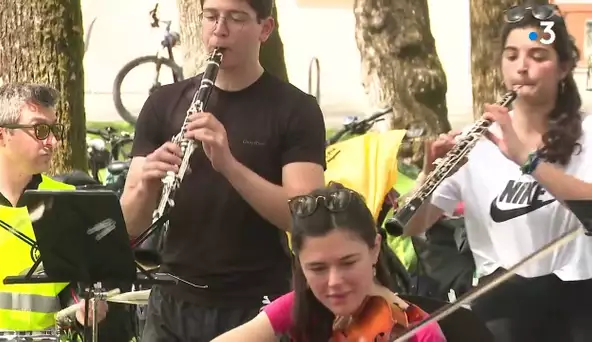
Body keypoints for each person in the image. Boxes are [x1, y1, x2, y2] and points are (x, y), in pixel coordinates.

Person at [119, 0, 326, 339]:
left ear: (265, 29)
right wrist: (144, 181)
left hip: (256, 305)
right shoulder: (163, 103)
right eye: (211, 16)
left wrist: (229, 166)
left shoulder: (295, 109)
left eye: (236, 18)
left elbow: (306, 217)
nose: (220, 29)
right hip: (172, 302)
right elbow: (130, 225)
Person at [402, 3, 592, 341]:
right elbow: (412, 225)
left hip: (579, 298)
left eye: (538, 55)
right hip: (502, 302)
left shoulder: (588, 134)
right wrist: (429, 177)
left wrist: (526, 159)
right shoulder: (474, 140)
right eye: (512, 55)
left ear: (563, 68)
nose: (522, 67)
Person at [210, 183, 446, 341]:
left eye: (348, 263)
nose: (334, 282)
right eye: (317, 268)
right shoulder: (304, 306)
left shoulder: (419, 332)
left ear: (374, 249)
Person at [0, 83, 109, 338]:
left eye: (54, 129)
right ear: (1, 136)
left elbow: (72, 287)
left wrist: (83, 309)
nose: (53, 142)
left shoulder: (65, 201)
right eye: (40, 130)